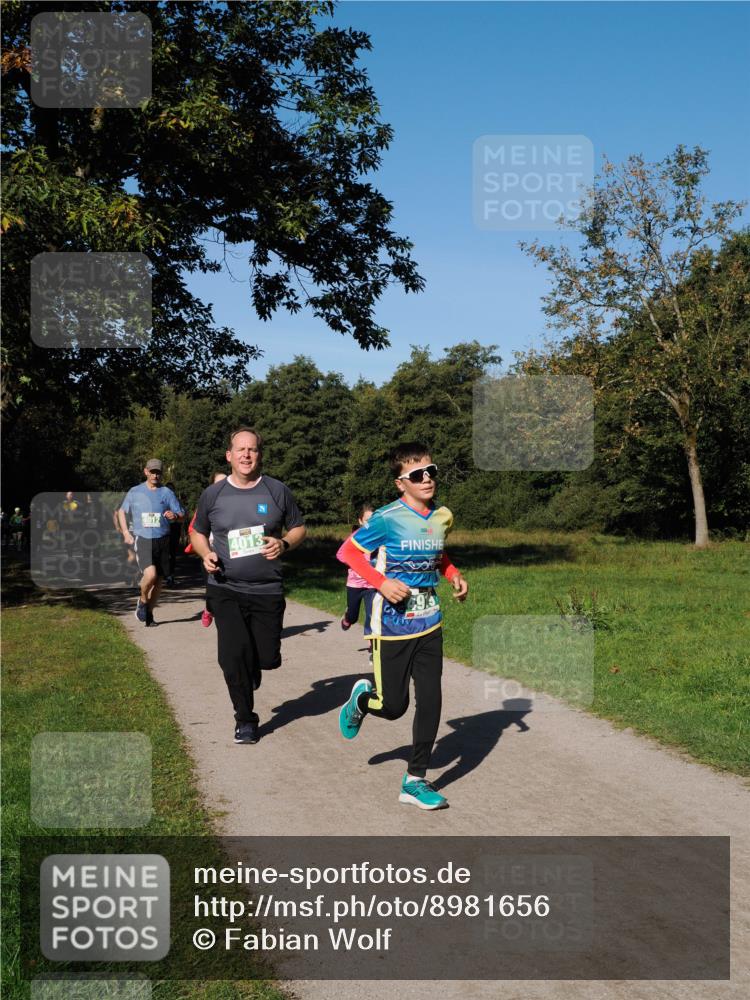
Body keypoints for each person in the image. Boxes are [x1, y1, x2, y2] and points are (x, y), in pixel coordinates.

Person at [336, 442, 468, 811]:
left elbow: (437, 552)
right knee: (393, 706)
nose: (426, 478)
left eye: (431, 471)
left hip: (429, 620)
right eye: (417, 474)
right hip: (392, 623)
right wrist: (381, 583)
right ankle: (362, 699)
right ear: (401, 483)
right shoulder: (386, 518)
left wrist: (453, 575)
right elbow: (348, 552)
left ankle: (414, 780)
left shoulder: (442, 516)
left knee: (431, 699)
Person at [190, 427, 306, 745]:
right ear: (229, 455)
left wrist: (284, 543)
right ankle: (245, 719)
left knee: (266, 658)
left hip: (267, 589)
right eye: (240, 449)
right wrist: (205, 553)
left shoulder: (277, 491)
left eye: (252, 449)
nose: (246, 454)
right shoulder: (213, 494)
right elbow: (197, 531)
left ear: (259, 455)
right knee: (232, 655)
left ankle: (253, 668)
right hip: (225, 586)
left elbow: (298, 528)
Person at [117, 459, 184, 625]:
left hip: (163, 540)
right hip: (144, 539)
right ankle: (142, 601)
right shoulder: (135, 491)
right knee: (151, 575)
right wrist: (125, 532)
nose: (155, 475)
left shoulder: (166, 492)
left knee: (159, 581)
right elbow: (121, 512)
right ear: (146, 471)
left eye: (158, 472)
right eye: (152, 472)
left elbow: (182, 515)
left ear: (162, 474)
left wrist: (175, 516)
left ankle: (149, 614)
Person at [184, 471, 227, 627]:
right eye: (219, 483)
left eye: (226, 482)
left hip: (230, 553)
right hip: (210, 553)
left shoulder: (237, 503)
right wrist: (205, 550)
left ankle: (230, 625)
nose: (223, 486)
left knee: (229, 590)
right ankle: (209, 609)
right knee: (213, 589)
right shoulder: (206, 505)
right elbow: (193, 530)